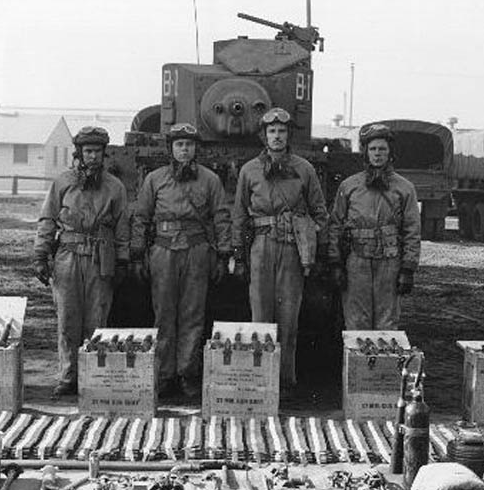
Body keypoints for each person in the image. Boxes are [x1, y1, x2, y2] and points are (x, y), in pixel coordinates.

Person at [232, 107, 328, 397]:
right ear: (264, 136)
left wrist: (308, 237)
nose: (277, 136)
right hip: (261, 246)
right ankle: (260, 379)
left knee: (289, 317)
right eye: (271, 132)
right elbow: (238, 214)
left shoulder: (304, 169)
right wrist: (238, 253)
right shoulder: (249, 170)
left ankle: (286, 380)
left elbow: (320, 213)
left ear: (288, 136)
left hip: (291, 248)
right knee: (260, 315)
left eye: (282, 132)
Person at [130, 123, 231, 398]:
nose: (184, 150)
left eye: (189, 145)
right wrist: (138, 255)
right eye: (179, 145)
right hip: (163, 251)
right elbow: (141, 217)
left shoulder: (210, 180)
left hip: (197, 251)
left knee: (192, 315)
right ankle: (164, 374)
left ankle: (187, 373)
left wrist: (223, 255)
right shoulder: (155, 179)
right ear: (171, 149)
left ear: (196, 148)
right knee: (163, 314)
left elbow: (221, 218)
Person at [33, 126, 130, 399]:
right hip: (67, 258)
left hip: (101, 259)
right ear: (79, 153)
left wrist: (122, 260)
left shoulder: (115, 187)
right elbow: (48, 219)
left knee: (97, 321)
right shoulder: (63, 182)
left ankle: (93, 376)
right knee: (68, 319)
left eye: (98, 152)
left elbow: (123, 227)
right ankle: (67, 377)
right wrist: (41, 255)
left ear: (104, 154)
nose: (93, 157)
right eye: (88, 151)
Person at [327, 123, 421, 330]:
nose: (377, 154)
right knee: (355, 323)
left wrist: (408, 268)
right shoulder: (349, 186)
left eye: (382, 149)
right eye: (373, 149)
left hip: (389, 263)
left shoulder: (405, 188)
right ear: (365, 153)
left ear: (390, 153)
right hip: (356, 262)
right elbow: (335, 225)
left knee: (387, 324)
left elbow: (412, 230)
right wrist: (334, 262)